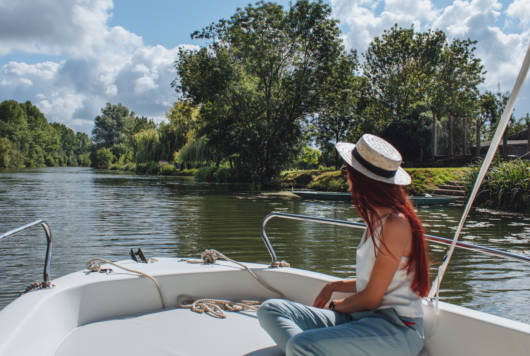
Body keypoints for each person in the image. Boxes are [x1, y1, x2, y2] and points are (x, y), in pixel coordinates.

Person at [257, 134, 430, 356]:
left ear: (359, 178)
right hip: (363, 319)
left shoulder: (395, 224)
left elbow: (371, 298)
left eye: (346, 171)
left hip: (395, 329)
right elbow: (377, 282)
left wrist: (334, 306)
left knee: (301, 345)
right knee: (271, 309)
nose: (346, 177)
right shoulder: (376, 218)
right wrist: (335, 284)